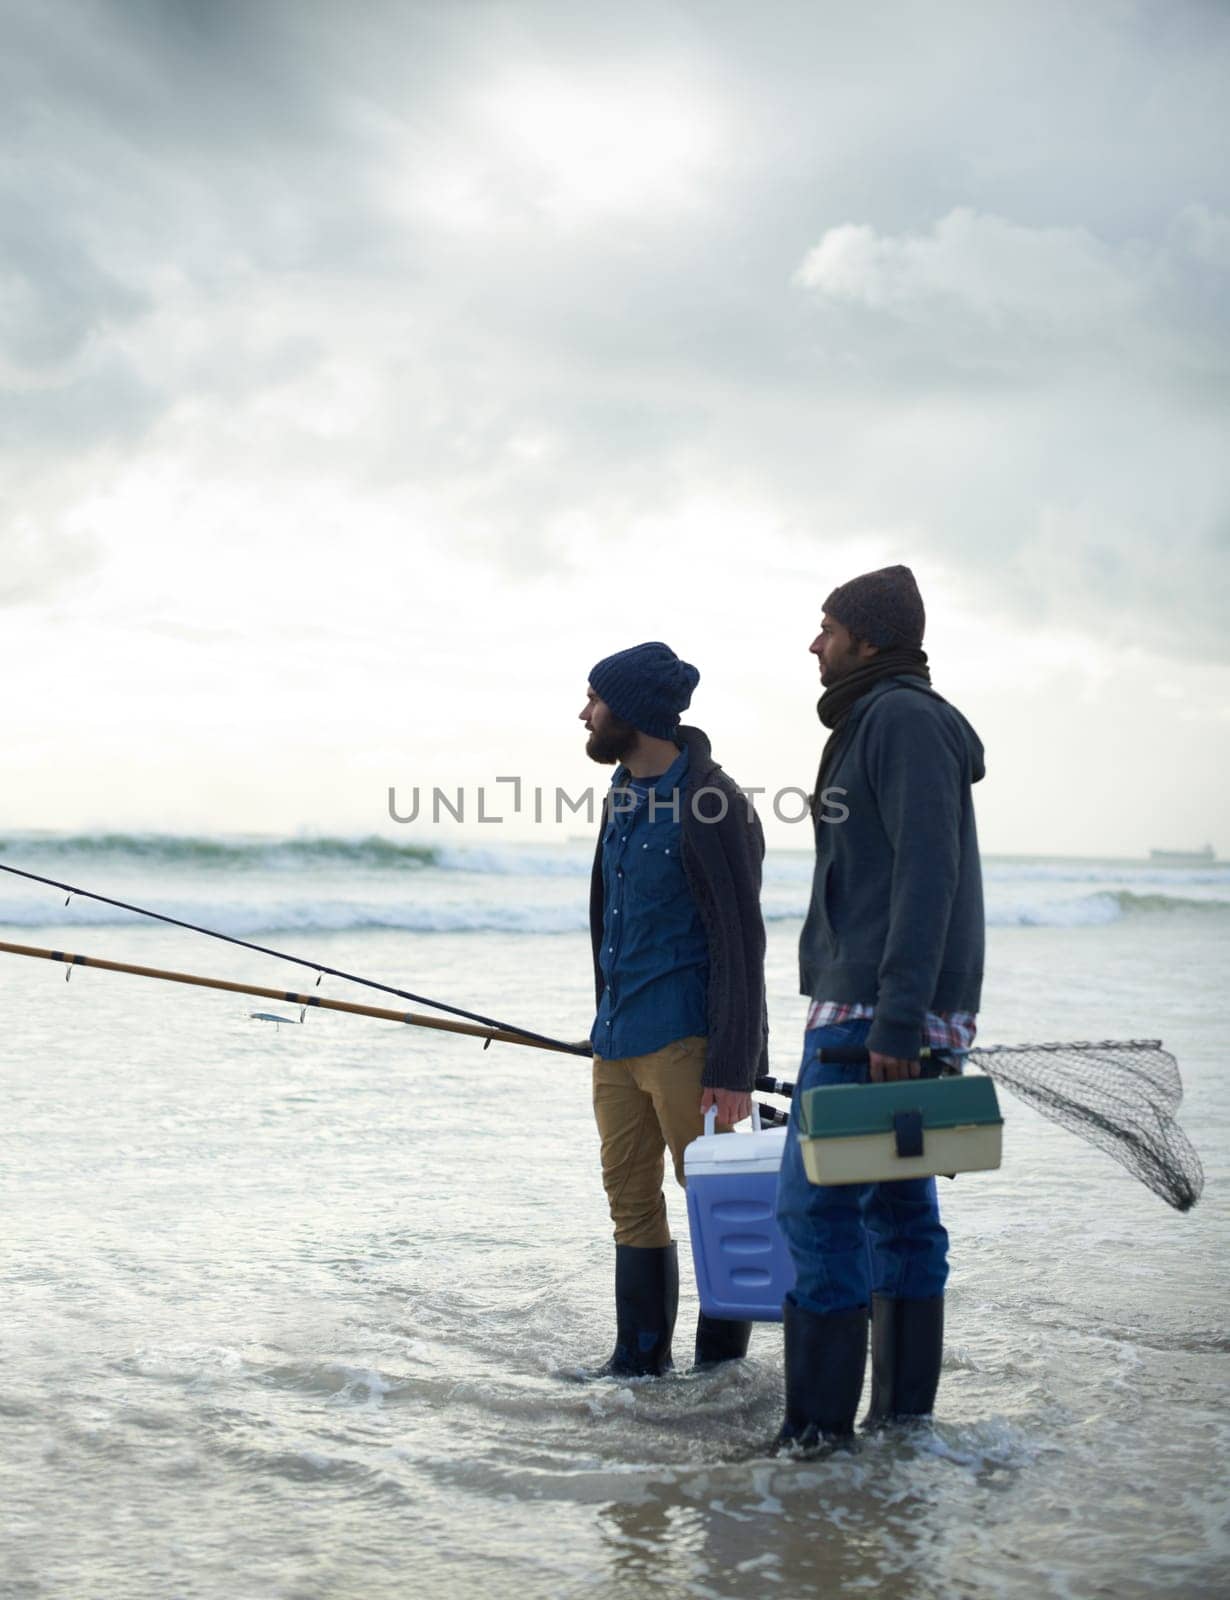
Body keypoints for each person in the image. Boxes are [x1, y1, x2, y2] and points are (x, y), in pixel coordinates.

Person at [774, 565, 986, 1445]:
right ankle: (901, 1429)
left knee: (814, 1209)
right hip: (883, 1007)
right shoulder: (888, 718)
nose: (813, 643)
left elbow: (926, 873)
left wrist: (898, 1020)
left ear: (867, 637)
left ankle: (816, 1441)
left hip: (874, 1016)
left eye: (826, 627)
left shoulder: (898, 718)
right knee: (897, 1212)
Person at [579, 641, 769, 1377]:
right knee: (630, 1203)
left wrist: (734, 1068)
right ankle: (638, 1365)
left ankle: (718, 1379)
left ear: (632, 713)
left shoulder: (714, 803)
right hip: (617, 1042)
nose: (584, 713)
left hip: (691, 1047)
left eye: (594, 700)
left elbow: (740, 945)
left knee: (723, 1216)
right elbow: (611, 917)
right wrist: (603, 1019)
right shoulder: (620, 791)